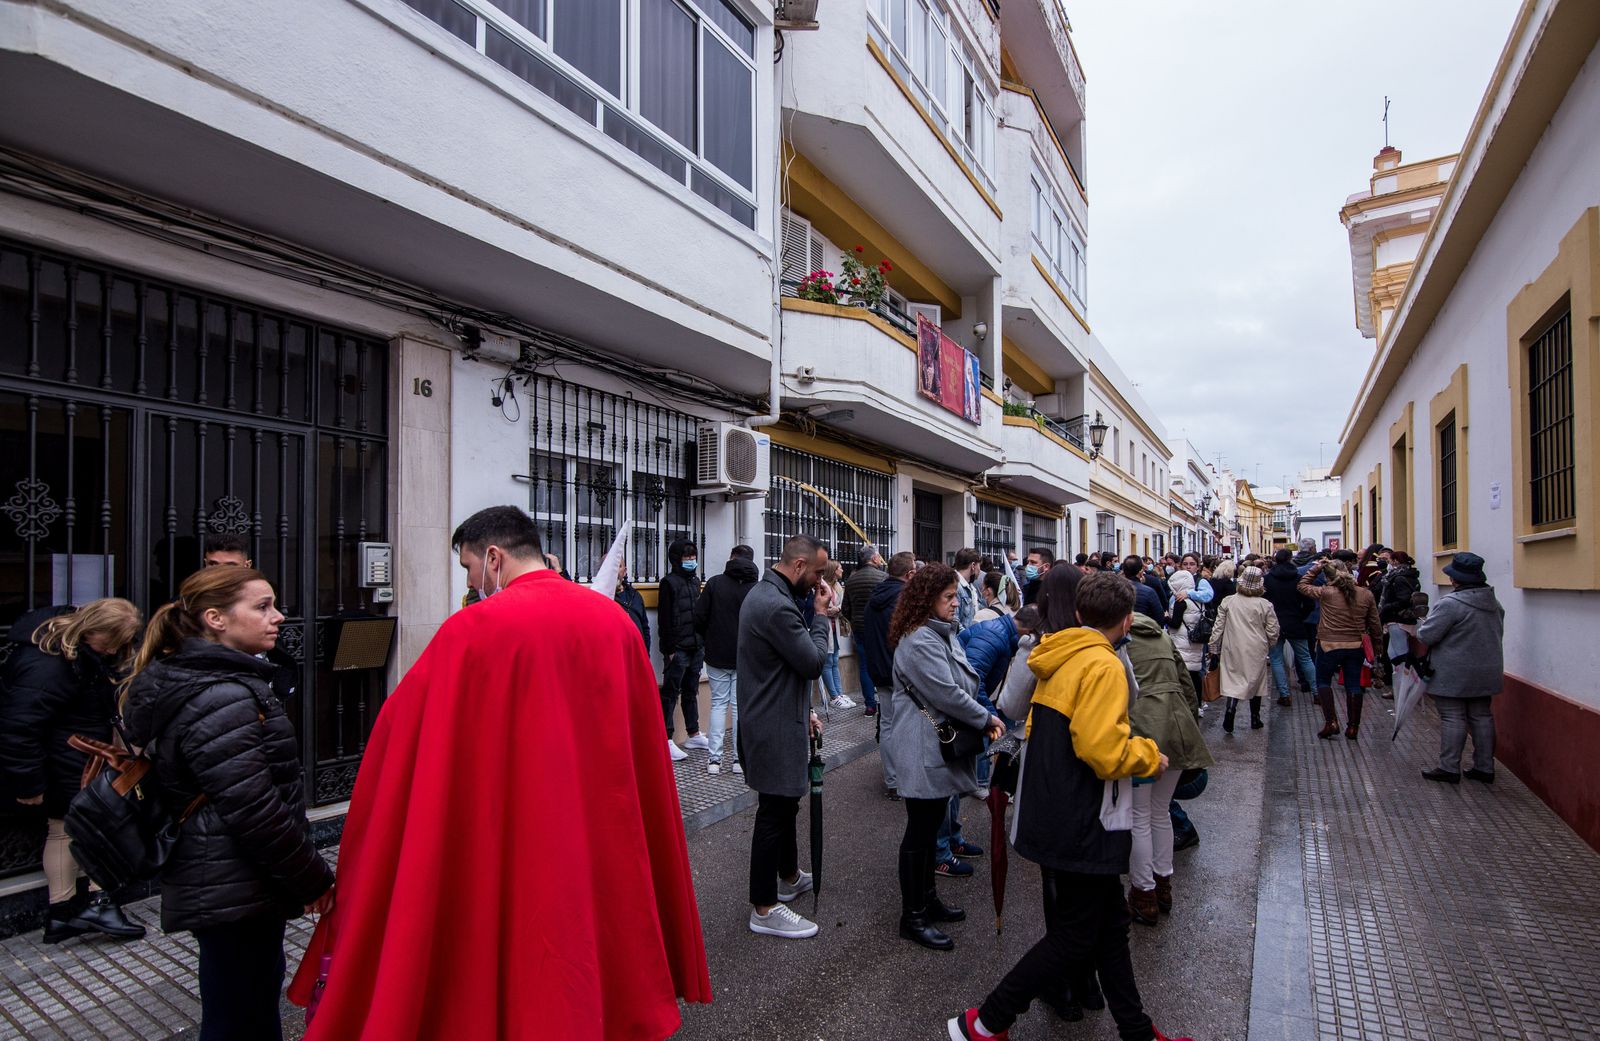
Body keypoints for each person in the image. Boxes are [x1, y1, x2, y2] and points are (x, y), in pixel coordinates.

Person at [284, 506, 709, 1038]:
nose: (471, 582)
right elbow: (642, 742)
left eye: (468, 569)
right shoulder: (616, 624)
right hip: (597, 829)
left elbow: (402, 738)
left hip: (512, 831)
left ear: (493, 557)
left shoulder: (472, 630)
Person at [948, 573, 1191, 1041]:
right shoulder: (1101, 665)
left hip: (1061, 807)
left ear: (1079, 614)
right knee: (1076, 935)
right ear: (1126, 621)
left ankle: (1137, 1031)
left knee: (1111, 925)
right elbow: (1101, 748)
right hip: (1085, 815)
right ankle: (984, 1022)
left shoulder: (1062, 654)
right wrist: (1147, 755)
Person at [123, 567, 334, 1041]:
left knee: (241, 1003)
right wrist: (313, 879)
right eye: (261, 607)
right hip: (234, 881)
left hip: (227, 879)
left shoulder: (211, 680)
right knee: (242, 1013)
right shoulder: (222, 695)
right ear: (215, 618)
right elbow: (254, 809)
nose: (278, 616)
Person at [0, 599, 146, 944]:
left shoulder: (62, 651)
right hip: (66, 761)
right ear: (95, 632)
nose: (116, 650)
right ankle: (97, 903)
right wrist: (29, 783)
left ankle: (63, 914)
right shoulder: (49, 666)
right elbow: (19, 727)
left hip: (75, 757)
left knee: (66, 830)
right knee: (92, 828)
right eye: (114, 642)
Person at [884, 564, 1004, 950]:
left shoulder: (939, 633)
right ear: (927, 599)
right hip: (921, 747)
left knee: (931, 823)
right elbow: (947, 693)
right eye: (949, 597)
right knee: (919, 834)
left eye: (956, 596)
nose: (956, 603)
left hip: (933, 746)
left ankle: (928, 900)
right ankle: (912, 916)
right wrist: (986, 718)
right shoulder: (921, 640)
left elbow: (961, 681)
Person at [737, 534, 833, 939]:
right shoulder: (777, 606)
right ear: (797, 566)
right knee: (774, 814)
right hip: (772, 728)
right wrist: (821, 616)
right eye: (817, 572)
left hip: (775, 718)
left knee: (784, 806)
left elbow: (779, 667)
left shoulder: (767, 593)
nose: (819, 581)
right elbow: (811, 662)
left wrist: (805, 709)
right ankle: (764, 906)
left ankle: (790, 876)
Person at [1125, 611, 1213, 926]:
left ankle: (1144, 894)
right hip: (1176, 724)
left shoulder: (1117, 638)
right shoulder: (1160, 634)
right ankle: (1163, 886)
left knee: (1139, 816)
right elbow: (1187, 686)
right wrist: (1188, 721)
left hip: (1143, 727)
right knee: (1160, 811)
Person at [1418, 553, 1504, 784]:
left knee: (1453, 717)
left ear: (1456, 580)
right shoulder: (1493, 603)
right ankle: (1485, 767)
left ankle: (1449, 767)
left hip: (1454, 670)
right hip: (1487, 668)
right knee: (1482, 716)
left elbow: (1427, 635)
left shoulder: (1451, 604)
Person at [694, 545, 760, 775]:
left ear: (732, 558)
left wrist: (708, 639)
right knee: (740, 708)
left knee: (718, 705)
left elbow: (699, 617)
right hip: (746, 656)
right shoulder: (757, 588)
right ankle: (738, 760)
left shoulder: (714, 583)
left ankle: (714, 760)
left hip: (716, 654)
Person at [1298, 559, 1382, 740]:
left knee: (1323, 681)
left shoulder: (1326, 592)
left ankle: (1331, 721)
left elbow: (1303, 585)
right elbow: (1375, 623)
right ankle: (1353, 727)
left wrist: (1315, 568)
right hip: (1355, 645)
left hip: (1329, 644)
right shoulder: (1365, 594)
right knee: (1353, 683)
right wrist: (1377, 646)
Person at [865, 551, 915, 798]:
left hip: (880, 670)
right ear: (909, 574)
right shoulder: (903, 599)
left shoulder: (875, 597)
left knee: (887, 724)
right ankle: (903, 779)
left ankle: (892, 779)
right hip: (901, 671)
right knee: (905, 725)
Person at [1208, 566, 1278, 735]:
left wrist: (1213, 647)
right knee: (1256, 681)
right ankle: (1255, 717)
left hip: (1232, 646)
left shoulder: (1228, 601)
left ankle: (1230, 710)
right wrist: (1270, 644)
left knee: (1234, 680)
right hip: (1256, 648)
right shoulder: (1265, 605)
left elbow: (1218, 626)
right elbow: (1273, 630)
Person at [657, 539, 706, 761]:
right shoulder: (669, 583)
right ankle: (666, 738)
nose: (691, 561)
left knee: (691, 690)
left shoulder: (695, 582)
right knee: (670, 693)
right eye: (686, 557)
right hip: (678, 649)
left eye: (693, 557)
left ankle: (693, 733)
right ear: (677, 559)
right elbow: (664, 619)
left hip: (696, 646)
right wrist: (669, 649)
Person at [1264, 548, 1316, 707]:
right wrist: (1300, 616)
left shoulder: (1267, 579)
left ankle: (1284, 694)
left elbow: (1264, 603)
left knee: (1276, 659)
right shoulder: (1299, 578)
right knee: (1305, 657)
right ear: (1290, 559)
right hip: (1295, 621)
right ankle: (1317, 692)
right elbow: (1309, 603)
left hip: (1274, 623)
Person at [842, 545, 887, 716]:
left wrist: (855, 619)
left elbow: (845, 608)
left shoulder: (851, 580)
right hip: (879, 628)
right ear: (874, 558)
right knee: (882, 662)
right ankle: (885, 702)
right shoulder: (883, 577)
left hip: (859, 628)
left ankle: (869, 705)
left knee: (864, 666)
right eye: (879, 556)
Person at [816, 560, 854, 710]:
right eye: (840, 568)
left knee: (835, 659)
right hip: (825, 627)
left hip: (835, 626)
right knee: (827, 661)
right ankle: (834, 696)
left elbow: (842, 604)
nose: (843, 570)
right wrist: (830, 609)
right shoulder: (821, 585)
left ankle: (839, 693)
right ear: (833, 570)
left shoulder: (838, 586)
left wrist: (837, 609)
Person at [1165, 570, 1207, 699]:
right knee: (1195, 674)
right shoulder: (1197, 600)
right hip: (1196, 640)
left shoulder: (1180, 602)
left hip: (1182, 642)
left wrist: (1166, 617)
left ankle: (1186, 701)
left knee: (1183, 674)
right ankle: (1199, 702)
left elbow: (1175, 623)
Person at [614, 553, 651, 651]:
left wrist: (646, 654)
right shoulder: (599, 598)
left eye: (618, 566)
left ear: (625, 571)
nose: (615, 571)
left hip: (636, 654)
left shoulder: (635, 596)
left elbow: (645, 627)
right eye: (612, 566)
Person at [1121, 556, 1165, 623]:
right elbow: (1159, 617)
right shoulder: (1149, 592)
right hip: (1144, 629)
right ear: (1141, 572)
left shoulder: (1115, 589)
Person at [953, 548, 983, 630]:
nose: (980, 570)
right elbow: (955, 621)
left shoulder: (970, 586)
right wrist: (968, 638)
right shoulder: (956, 586)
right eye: (979, 565)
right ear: (973, 566)